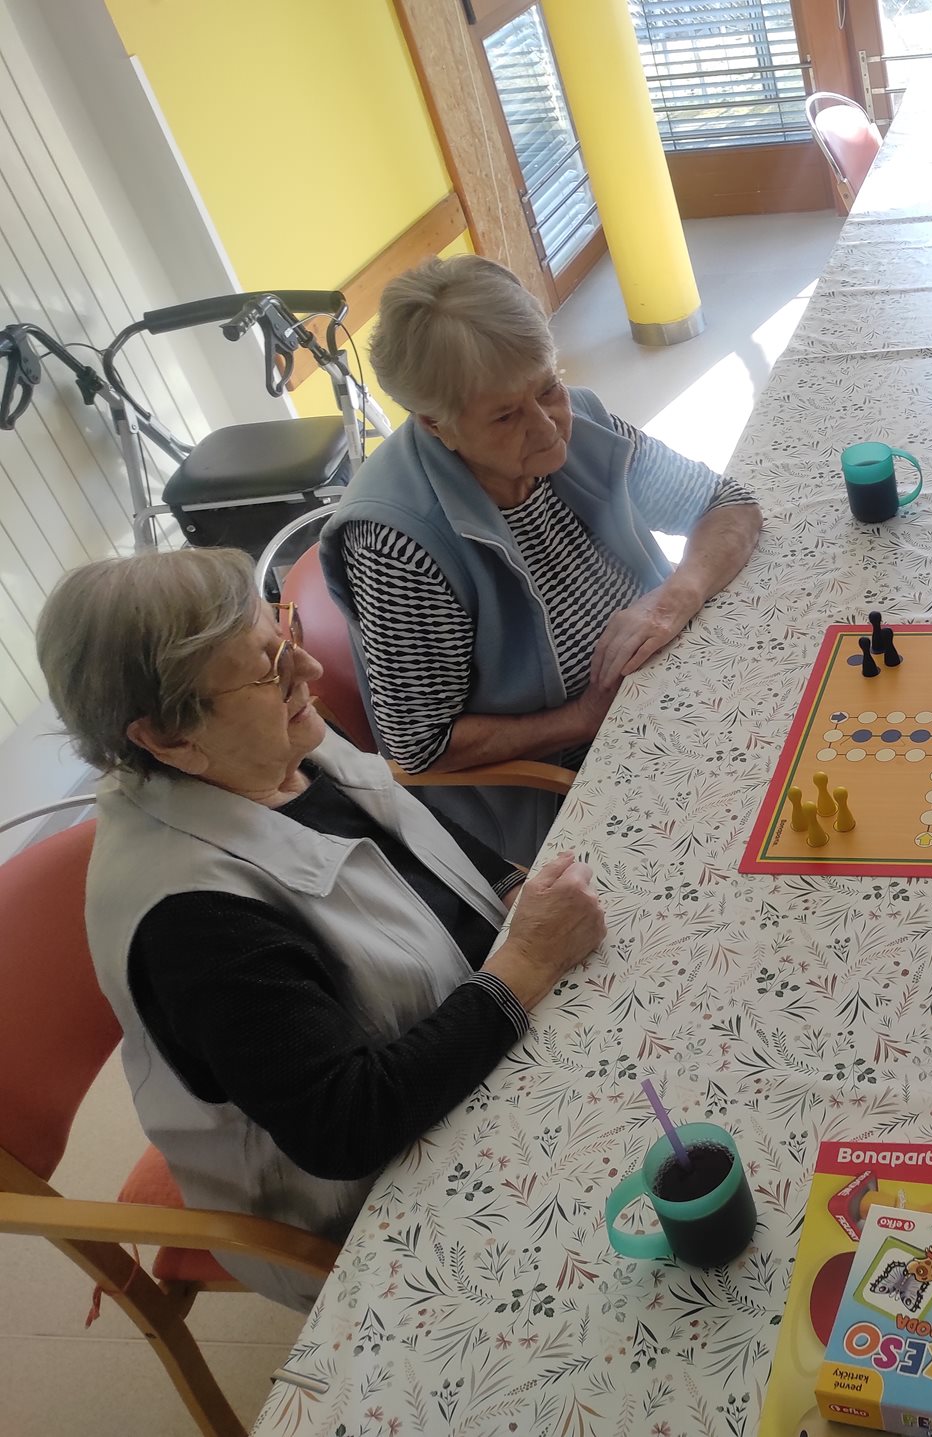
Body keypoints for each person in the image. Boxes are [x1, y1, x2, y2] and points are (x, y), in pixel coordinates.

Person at [39, 549, 606, 1309]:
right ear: (168, 739)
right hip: (373, 1193)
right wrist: (528, 962)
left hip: (473, 1032)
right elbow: (349, 1126)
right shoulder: (192, 923)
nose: (306, 668)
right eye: (269, 668)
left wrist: (513, 890)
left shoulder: (267, 740)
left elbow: (404, 831)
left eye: (283, 632)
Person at [320, 255, 762, 863]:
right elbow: (422, 746)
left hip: (667, 692)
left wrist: (675, 596)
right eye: (506, 416)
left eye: (548, 387)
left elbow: (728, 505)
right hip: (563, 780)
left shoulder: (581, 421)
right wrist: (583, 716)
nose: (549, 426)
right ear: (435, 424)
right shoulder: (399, 547)